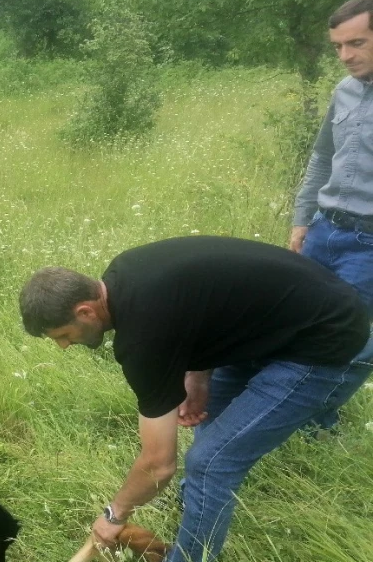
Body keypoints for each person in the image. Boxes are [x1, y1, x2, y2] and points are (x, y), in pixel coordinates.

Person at [19, 236, 373, 562]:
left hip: (329, 342)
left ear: (85, 312)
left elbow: (158, 464)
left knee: (211, 462)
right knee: (213, 431)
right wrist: (198, 373)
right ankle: (197, 504)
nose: (64, 346)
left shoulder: (142, 340)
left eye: (63, 336)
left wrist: (114, 515)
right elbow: (209, 308)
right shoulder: (125, 272)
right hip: (293, 320)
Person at [290, 0, 373, 430]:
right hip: (324, 230)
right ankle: (288, 408)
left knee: (352, 342)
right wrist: (302, 220)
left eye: (356, 43)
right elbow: (322, 158)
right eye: (338, 46)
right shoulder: (344, 91)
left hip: (369, 246)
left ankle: (317, 421)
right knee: (296, 325)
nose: (345, 56)